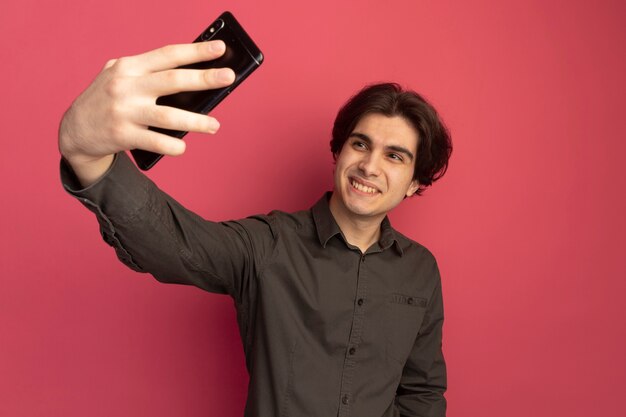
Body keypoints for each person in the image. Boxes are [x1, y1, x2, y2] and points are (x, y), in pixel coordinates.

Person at [59, 40, 452, 417]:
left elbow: (422, 391)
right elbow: (177, 245)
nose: (369, 166)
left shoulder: (421, 270)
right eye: (361, 144)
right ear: (338, 151)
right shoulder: (269, 243)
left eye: (394, 156)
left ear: (416, 182)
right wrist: (89, 156)